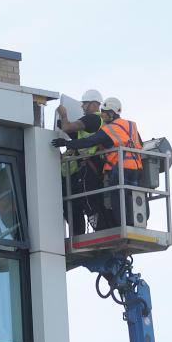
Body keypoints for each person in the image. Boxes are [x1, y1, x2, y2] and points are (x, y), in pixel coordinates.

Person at [52, 96, 143, 228]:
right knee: (130, 197)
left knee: (117, 199)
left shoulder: (110, 128)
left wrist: (67, 143)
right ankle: (131, 224)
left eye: (104, 112)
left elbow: (90, 141)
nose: (102, 115)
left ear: (111, 113)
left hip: (119, 168)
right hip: (136, 167)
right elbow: (139, 144)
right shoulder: (131, 125)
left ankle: (119, 226)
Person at [54, 89, 105, 235]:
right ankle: (86, 232)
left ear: (94, 104)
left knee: (82, 203)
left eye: (85, 104)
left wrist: (63, 115)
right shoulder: (96, 122)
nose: (82, 107)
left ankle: (88, 232)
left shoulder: (92, 119)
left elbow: (67, 127)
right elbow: (77, 136)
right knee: (80, 203)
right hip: (89, 166)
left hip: (89, 167)